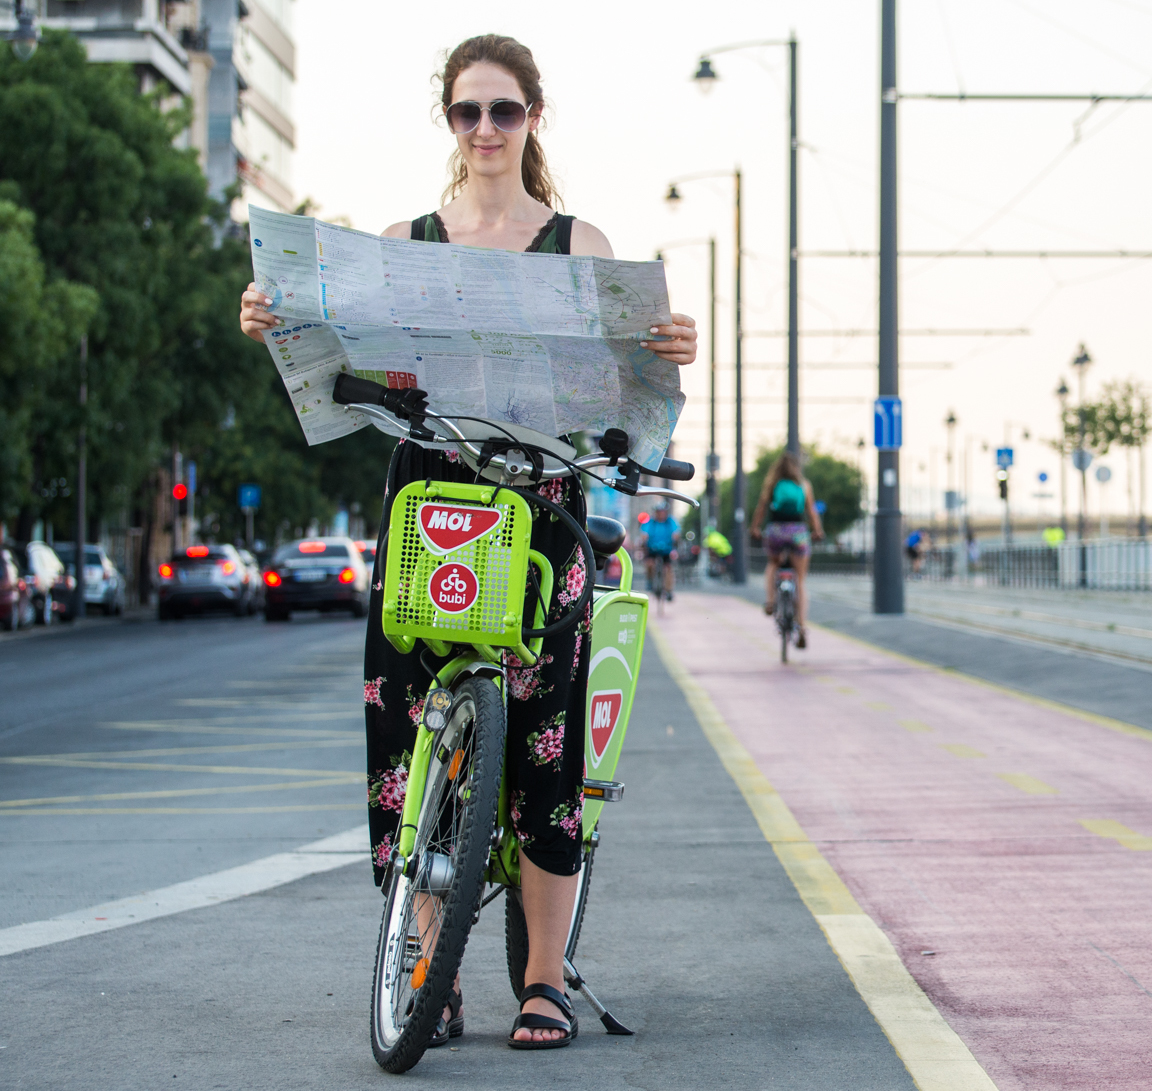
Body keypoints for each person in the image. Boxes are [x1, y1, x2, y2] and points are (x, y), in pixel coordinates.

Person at [238, 34, 697, 1049]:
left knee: (545, 748)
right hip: (431, 504)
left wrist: (669, 349)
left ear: (534, 119)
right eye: (466, 112)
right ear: (449, 123)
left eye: (503, 111)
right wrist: (270, 317)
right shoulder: (402, 242)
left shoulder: (579, 245)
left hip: (543, 510)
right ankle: (428, 970)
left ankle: (542, 979)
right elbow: (328, 348)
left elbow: (634, 393)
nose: (485, 129)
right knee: (411, 741)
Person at [750, 451, 825, 647]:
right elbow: (811, 511)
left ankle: (770, 602)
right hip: (798, 532)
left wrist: (755, 528)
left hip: (775, 531)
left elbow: (761, 508)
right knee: (800, 580)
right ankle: (801, 626)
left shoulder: (772, 484)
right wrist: (817, 531)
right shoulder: (804, 485)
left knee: (773, 564)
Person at [640, 502, 678, 599]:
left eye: (663, 512)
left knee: (668, 568)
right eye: (659, 512)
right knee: (649, 564)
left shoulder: (670, 522)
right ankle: (650, 581)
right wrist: (644, 538)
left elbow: (676, 532)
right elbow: (644, 532)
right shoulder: (651, 522)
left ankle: (669, 590)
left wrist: (675, 537)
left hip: (666, 550)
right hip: (652, 549)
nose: (661, 514)